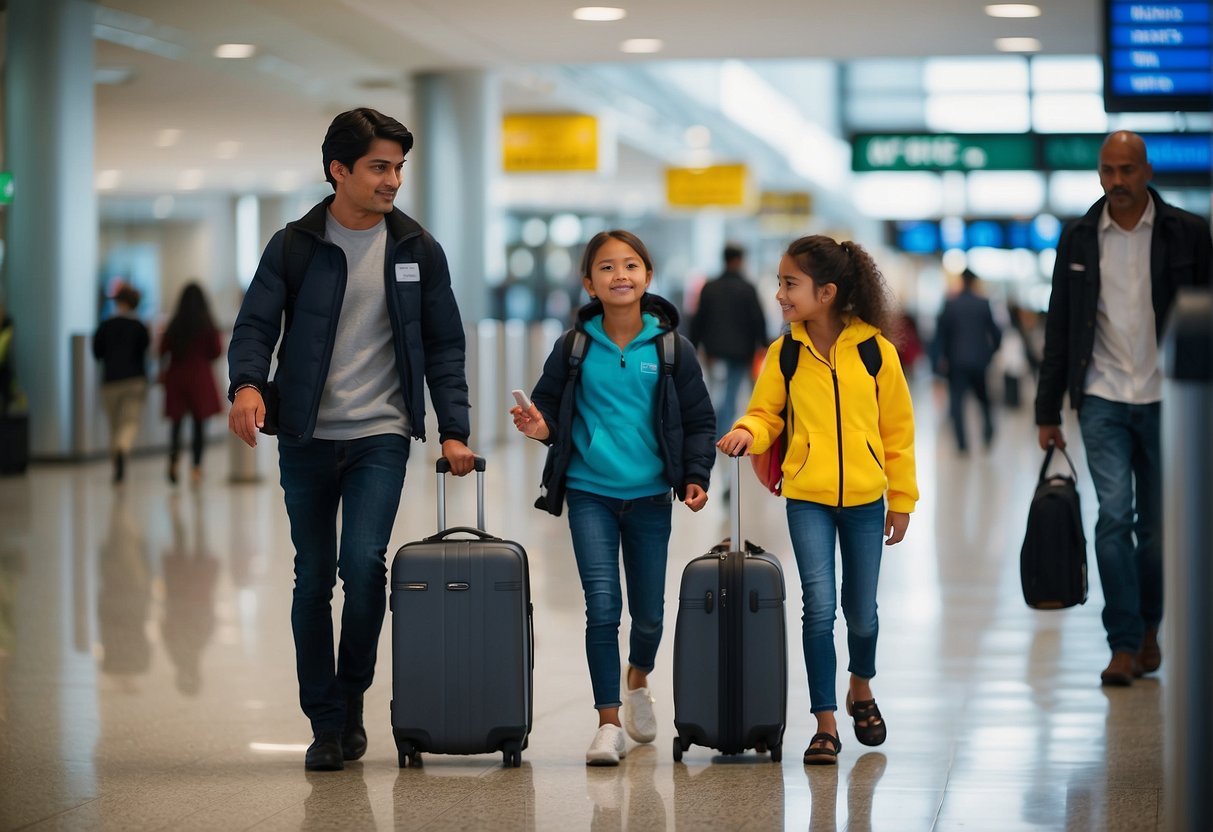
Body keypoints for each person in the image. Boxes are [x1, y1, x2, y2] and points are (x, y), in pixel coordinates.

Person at [227, 107, 477, 771]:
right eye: (378, 166)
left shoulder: (417, 248)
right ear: (338, 170)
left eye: (398, 167)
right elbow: (254, 325)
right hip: (307, 436)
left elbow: (444, 345)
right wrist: (246, 385)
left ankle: (351, 696)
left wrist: (454, 429)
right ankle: (326, 720)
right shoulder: (293, 245)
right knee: (312, 578)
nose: (393, 179)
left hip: (381, 434)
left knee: (364, 565)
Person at [511, 230, 715, 766]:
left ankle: (637, 679)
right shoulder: (574, 347)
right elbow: (548, 408)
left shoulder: (672, 348)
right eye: (606, 267)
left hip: (650, 495)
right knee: (603, 607)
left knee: (648, 615)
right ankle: (607, 723)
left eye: (630, 265)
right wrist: (539, 427)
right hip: (589, 492)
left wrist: (696, 474)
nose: (619, 275)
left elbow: (698, 419)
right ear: (589, 282)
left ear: (648, 276)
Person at [718, 235, 918, 767]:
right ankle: (825, 722)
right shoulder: (785, 353)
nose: (780, 293)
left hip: (865, 500)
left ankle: (861, 686)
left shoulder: (877, 351)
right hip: (807, 496)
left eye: (790, 283)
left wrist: (902, 498)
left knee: (863, 614)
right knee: (818, 609)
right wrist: (745, 431)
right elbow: (766, 414)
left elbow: (897, 433)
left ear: (826, 292)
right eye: (780, 282)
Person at [1035, 130, 1212, 687]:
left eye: (1127, 170)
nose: (1117, 182)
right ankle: (1123, 641)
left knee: (1158, 528)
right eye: (1108, 170)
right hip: (1102, 396)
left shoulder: (1189, 233)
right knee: (1114, 518)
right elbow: (1060, 324)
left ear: (1147, 170)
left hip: (1169, 397)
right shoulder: (1080, 238)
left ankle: (1152, 627)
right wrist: (1048, 410)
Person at [690, 244, 768, 438]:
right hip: (741, 352)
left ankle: (711, 429)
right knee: (731, 393)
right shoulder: (747, 288)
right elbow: (758, 319)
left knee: (714, 391)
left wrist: (693, 345)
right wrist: (764, 344)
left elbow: (698, 319)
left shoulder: (710, 287)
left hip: (713, 351)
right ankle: (721, 433)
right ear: (739, 260)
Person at [160, 283, 224, 485]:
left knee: (176, 423)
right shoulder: (207, 323)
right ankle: (196, 468)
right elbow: (216, 351)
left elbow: (163, 349)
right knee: (199, 425)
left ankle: (173, 459)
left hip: (177, 376)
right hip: (199, 377)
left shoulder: (175, 323)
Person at [933, 268, 1001, 453]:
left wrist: (939, 361)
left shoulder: (950, 304)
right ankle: (987, 433)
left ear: (962, 281)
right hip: (979, 361)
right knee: (984, 400)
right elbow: (996, 333)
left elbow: (940, 335)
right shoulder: (983, 304)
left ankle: (962, 444)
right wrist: (990, 353)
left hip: (956, 362)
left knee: (957, 403)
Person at [92, 284, 150, 483]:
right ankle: (123, 447)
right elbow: (145, 351)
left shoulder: (105, 326)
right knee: (130, 422)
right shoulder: (139, 327)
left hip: (110, 381)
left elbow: (97, 352)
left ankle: (117, 464)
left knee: (114, 425)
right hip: (134, 380)